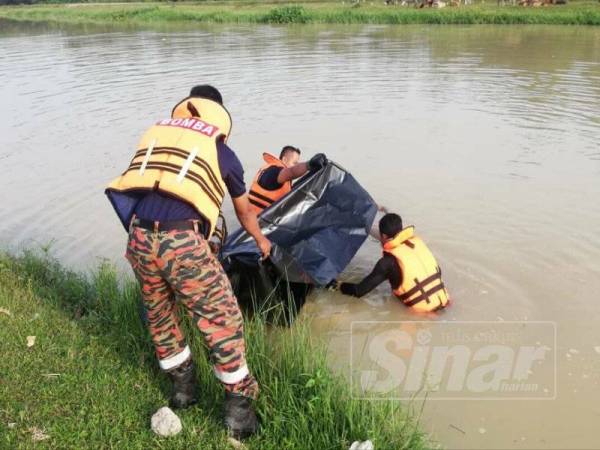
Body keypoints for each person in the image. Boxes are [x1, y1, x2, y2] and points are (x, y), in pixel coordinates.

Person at [105, 85, 270, 439]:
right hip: (181, 241)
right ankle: (239, 412)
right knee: (220, 317)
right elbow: (245, 212)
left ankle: (183, 391)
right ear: (219, 115)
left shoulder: (157, 136)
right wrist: (260, 239)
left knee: (160, 314)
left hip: (139, 238)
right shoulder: (221, 151)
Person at [339, 213, 450, 312]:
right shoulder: (418, 243)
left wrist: (335, 285)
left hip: (422, 315)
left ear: (384, 236)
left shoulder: (386, 264)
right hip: (446, 303)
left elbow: (359, 291)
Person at [248, 145, 327, 214]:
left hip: (254, 221)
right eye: (295, 163)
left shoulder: (269, 169)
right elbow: (292, 172)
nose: (296, 165)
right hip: (259, 224)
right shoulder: (274, 172)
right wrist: (309, 165)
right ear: (284, 160)